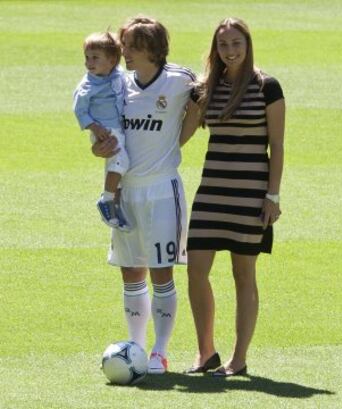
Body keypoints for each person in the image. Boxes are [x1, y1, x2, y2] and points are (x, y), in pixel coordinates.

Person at [92, 16, 196, 374]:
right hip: (124, 192)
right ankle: (135, 345)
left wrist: (179, 139)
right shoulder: (118, 84)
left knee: (161, 273)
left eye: (132, 46)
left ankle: (160, 351)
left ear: (153, 48)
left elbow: (207, 95)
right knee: (130, 271)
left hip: (162, 191)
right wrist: (98, 147)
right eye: (124, 45)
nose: (124, 53)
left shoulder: (180, 80)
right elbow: (107, 131)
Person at [182, 17, 285, 376]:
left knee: (243, 275)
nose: (231, 51)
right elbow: (183, 135)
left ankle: (238, 359)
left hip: (250, 193)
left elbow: (277, 144)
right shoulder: (205, 87)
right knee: (195, 270)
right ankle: (205, 352)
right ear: (215, 49)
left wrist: (272, 195)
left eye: (236, 43)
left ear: (248, 43)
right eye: (224, 45)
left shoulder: (267, 86)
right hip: (211, 190)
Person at [73, 31, 130, 230]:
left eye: (95, 57)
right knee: (121, 161)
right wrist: (95, 127)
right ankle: (106, 200)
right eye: (87, 58)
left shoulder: (119, 74)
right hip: (105, 131)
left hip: (119, 128)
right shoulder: (88, 85)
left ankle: (115, 206)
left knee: (118, 170)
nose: (89, 62)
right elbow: (79, 110)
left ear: (112, 60)